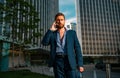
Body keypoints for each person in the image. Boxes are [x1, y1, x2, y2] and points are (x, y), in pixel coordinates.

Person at [42, 12, 84, 78]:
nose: (60, 21)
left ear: (64, 21)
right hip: (57, 61)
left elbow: (77, 49)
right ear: (55, 21)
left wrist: (80, 64)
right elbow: (44, 43)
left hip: (70, 61)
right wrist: (50, 30)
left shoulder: (72, 33)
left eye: (61, 20)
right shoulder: (52, 34)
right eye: (58, 20)